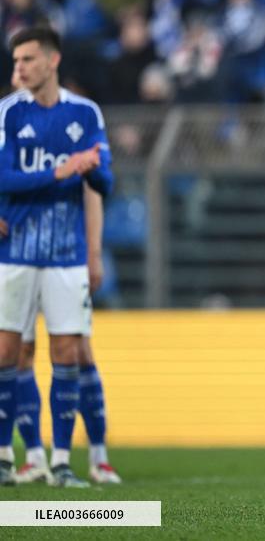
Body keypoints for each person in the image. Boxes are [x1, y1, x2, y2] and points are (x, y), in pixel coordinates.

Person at [0, 26, 114, 487]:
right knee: (9, 350)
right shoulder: (7, 113)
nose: (19, 69)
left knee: (68, 350)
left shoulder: (85, 113)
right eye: (17, 61)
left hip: (66, 253)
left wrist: (92, 168)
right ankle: (8, 456)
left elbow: (103, 183)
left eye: (27, 59)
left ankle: (63, 461)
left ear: (52, 60)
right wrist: (62, 170)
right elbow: (5, 180)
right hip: (16, 250)